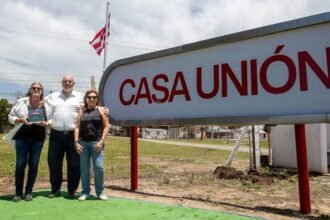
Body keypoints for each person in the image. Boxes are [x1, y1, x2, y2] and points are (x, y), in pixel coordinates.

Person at [8, 82, 51, 202]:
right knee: (20, 164)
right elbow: (10, 117)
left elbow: (52, 119)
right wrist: (19, 119)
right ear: (30, 90)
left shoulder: (47, 104)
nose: (36, 90)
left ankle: (28, 192)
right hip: (22, 137)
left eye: (39, 88)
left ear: (42, 91)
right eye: (34, 88)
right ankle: (17, 193)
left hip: (38, 138)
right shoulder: (21, 102)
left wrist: (47, 123)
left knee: (34, 164)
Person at [44, 75, 84, 198]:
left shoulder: (81, 97)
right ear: (62, 83)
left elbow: (93, 105)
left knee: (74, 164)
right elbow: (40, 105)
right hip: (56, 134)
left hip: (74, 135)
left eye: (70, 81)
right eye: (65, 81)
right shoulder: (52, 96)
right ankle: (55, 189)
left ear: (74, 83)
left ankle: (72, 190)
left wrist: (104, 109)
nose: (67, 83)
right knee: (54, 162)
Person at [74, 89, 110, 201]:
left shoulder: (101, 110)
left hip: (97, 143)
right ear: (86, 99)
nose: (92, 99)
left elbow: (106, 126)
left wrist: (101, 141)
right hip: (83, 143)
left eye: (94, 97)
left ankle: (100, 192)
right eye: (89, 97)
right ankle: (85, 192)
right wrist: (76, 142)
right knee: (84, 169)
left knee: (98, 168)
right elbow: (77, 127)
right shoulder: (82, 111)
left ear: (97, 99)